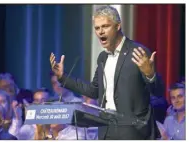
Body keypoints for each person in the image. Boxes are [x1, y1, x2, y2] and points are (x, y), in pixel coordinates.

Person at [50, 5, 163, 140]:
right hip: (106, 130)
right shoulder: (102, 58)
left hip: (134, 131)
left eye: (105, 26)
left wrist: (150, 75)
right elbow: (93, 91)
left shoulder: (137, 52)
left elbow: (158, 92)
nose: (100, 32)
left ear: (117, 26)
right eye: (97, 28)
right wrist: (63, 77)